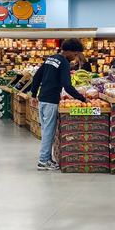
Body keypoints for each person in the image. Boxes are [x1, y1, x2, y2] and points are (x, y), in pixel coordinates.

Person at [30, 38, 87, 171]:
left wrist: (33, 94)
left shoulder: (51, 58)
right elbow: (68, 86)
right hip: (51, 100)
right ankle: (43, 161)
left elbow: (37, 77)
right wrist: (83, 99)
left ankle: (47, 159)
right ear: (68, 51)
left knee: (46, 130)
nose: (75, 57)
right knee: (48, 131)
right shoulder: (64, 63)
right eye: (75, 54)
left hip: (43, 98)